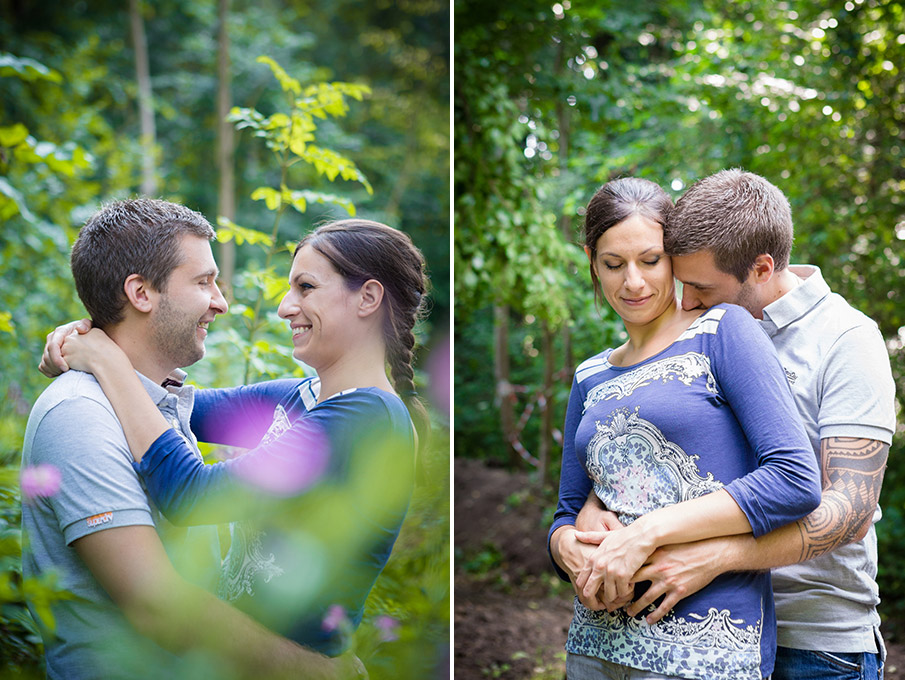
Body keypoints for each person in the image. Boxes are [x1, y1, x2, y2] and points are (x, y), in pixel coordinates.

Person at [42, 218, 429, 659]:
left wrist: (106, 361)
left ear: (368, 297)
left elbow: (192, 495)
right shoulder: (297, 397)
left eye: (306, 288)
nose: (285, 307)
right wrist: (101, 329)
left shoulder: (368, 418)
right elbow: (163, 400)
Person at [575, 169, 896, 680]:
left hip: (815, 639)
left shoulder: (846, 339)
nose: (688, 303)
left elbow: (850, 508)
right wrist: (600, 499)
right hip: (696, 615)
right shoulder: (699, 332)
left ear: (761, 268)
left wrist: (719, 557)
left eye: (701, 288)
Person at [546, 177, 822, 680]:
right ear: (591, 260)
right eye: (613, 264)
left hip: (707, 650)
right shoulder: (590, 375)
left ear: (673, 256)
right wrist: (564, 546)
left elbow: (794, 478)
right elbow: (567, 510)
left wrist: (647, 534)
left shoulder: (723, 332)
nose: (633, 282)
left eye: (650, 261)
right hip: (594, 646)